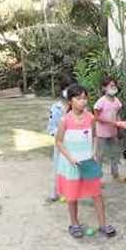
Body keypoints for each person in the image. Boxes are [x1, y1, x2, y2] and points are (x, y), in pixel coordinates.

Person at [55, 84, 116, 238]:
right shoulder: (65, 120)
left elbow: (95, 136)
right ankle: (74, 224)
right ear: (70, 101)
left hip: (88, 162)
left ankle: (103, 225)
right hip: (72, 165)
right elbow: (59, 142)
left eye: (84, 98)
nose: (83, 101)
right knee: (72, 196)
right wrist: (71, 159)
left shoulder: (90, 117)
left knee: (96, 194)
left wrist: (94, 152)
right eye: (78, 98)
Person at [94, 77, 126, 183]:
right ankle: (97, 179)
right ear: (104, 88)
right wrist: (113, 123)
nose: (113, 88)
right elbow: (96, 117)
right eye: (111, 86)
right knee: (99, 156)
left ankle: (115, 174)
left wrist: (120, 126)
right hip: (101, 133)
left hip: (113, 132)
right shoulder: (101, 102)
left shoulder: (117, 101)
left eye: (114, 85)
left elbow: (117, 114)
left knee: (115, 153)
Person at [46, 75, 74, 203]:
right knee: (58, 167)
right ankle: (55, 193)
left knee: (73, 167)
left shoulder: (78, 106)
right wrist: (61, 135)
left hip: (75, 143)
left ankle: (72, 191)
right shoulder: (55, 108)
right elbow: (51, 128)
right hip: (60, 142)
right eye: (66, 88)